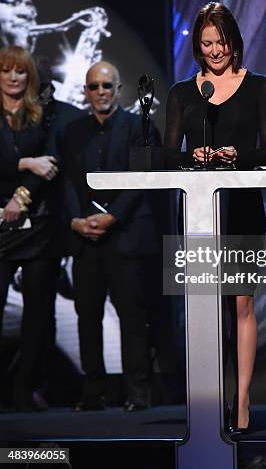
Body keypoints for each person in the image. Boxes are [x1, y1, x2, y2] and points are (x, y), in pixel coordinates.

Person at [164, 2, 266, 431]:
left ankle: (242, 401)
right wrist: (192, 155)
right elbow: (168, 153)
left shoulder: (259, 87)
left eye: (221, 41)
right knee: (203, 307)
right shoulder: (181, 93)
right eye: (206, 43)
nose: (214, 50)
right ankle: (209, 402)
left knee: (241, 303)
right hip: (197, 212)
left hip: (243, 209)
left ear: (235, 41)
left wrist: (234, 154)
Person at [59, 60, 160, 411]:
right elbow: (67, 182)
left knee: (132, 316)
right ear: (85, 92)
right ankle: (93, 392)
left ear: (118, 89)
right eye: (93, 87)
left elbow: (142, 178)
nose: (100, 92)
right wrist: (76, 220)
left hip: (125, 236)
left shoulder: (138, 127)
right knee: (87, 316)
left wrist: (112, 216)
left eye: (106, 86)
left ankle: (138, 392)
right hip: (85, 238)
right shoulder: (71, 132)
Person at [0, 45, 59, 410]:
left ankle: (27, 387)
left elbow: (51, 164)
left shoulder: (42, 114)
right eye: (6, 71)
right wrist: (26, 162)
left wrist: (21, 196)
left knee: (38, 311)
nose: (13, 77)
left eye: (20, 72)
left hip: (36, 224)